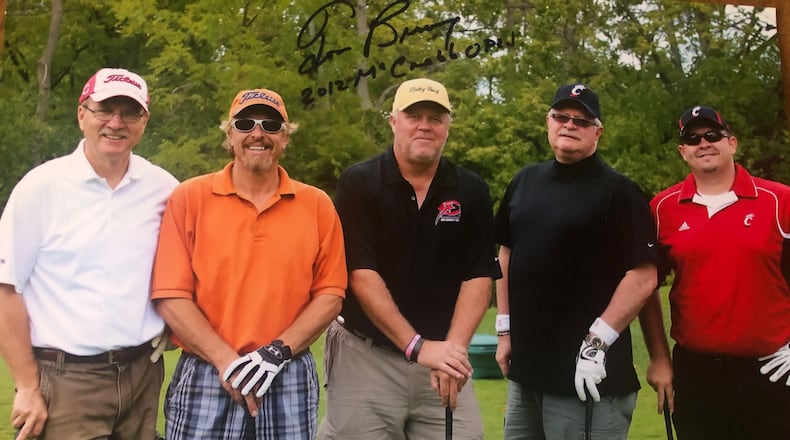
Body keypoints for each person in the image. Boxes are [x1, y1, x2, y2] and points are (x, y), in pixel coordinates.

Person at [150, 88, 347, 439]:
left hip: (287, 369)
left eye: (270, 125)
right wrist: (227, 361)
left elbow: (331, 293)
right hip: (206, 368)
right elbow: (170, 295)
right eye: (245, 123)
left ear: (285, 137)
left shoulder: (317, 205)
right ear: (230, 134)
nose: (258, 133)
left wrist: (275, 352)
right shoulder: (189, 198)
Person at [318, 77, 502, 439]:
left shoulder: (471, 188)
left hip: (442, 356)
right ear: (393, 121)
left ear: (448, 126)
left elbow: (479, 275)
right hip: (367, 354)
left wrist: (452, 352)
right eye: (413, 115)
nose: (424, 125)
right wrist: (417, 347)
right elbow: (361, 273)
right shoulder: (360, 183)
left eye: (435, 117)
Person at [0, 67, 178, 439]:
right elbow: (6, 289)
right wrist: (28, 386)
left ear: (144, 121)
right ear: (82, 114)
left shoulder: (164, 188)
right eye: (104, 110)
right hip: (67, 381)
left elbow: (188, 268)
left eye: (129, 112)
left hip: (143, 374)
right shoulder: (41, 187)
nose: (116, 122)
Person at [493, 83, 658, 439]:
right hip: (528, 371)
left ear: (597, 132)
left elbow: (643, 276)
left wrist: (596, 343)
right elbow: (506, 253)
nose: (569, 125)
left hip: (588, 377)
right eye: (561, 117)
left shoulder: (619, 192)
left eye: (581, 121)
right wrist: (504, 331)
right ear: (548, 122)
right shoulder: (524, 181)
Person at [641, 105, 790, 439]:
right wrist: (659, 358)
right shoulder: (662, 209)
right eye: (692, 138)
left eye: (712, 135)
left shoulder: (780, 200)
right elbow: (644, 288)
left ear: (732, 143)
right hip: (696, 373)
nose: (703, 143)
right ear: (683, 151)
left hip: (770, 370)